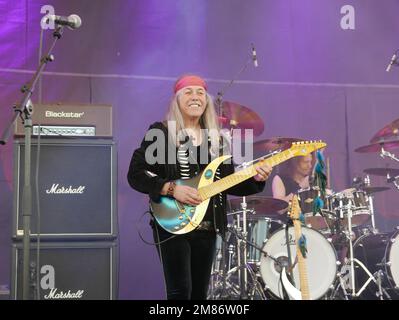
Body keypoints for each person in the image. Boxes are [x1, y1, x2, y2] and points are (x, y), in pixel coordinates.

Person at [127, 74, 272, 300]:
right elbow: (136, 174)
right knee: (180, 292)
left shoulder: (217, 140)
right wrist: (171, 188)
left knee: (199, 296)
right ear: (177, 100)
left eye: (201, 93)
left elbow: (229, 181)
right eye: (188, 92)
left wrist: (258, 179)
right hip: (172, 223)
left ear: (206, 101)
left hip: (207, 226)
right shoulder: (161, 133)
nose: (195, 97)